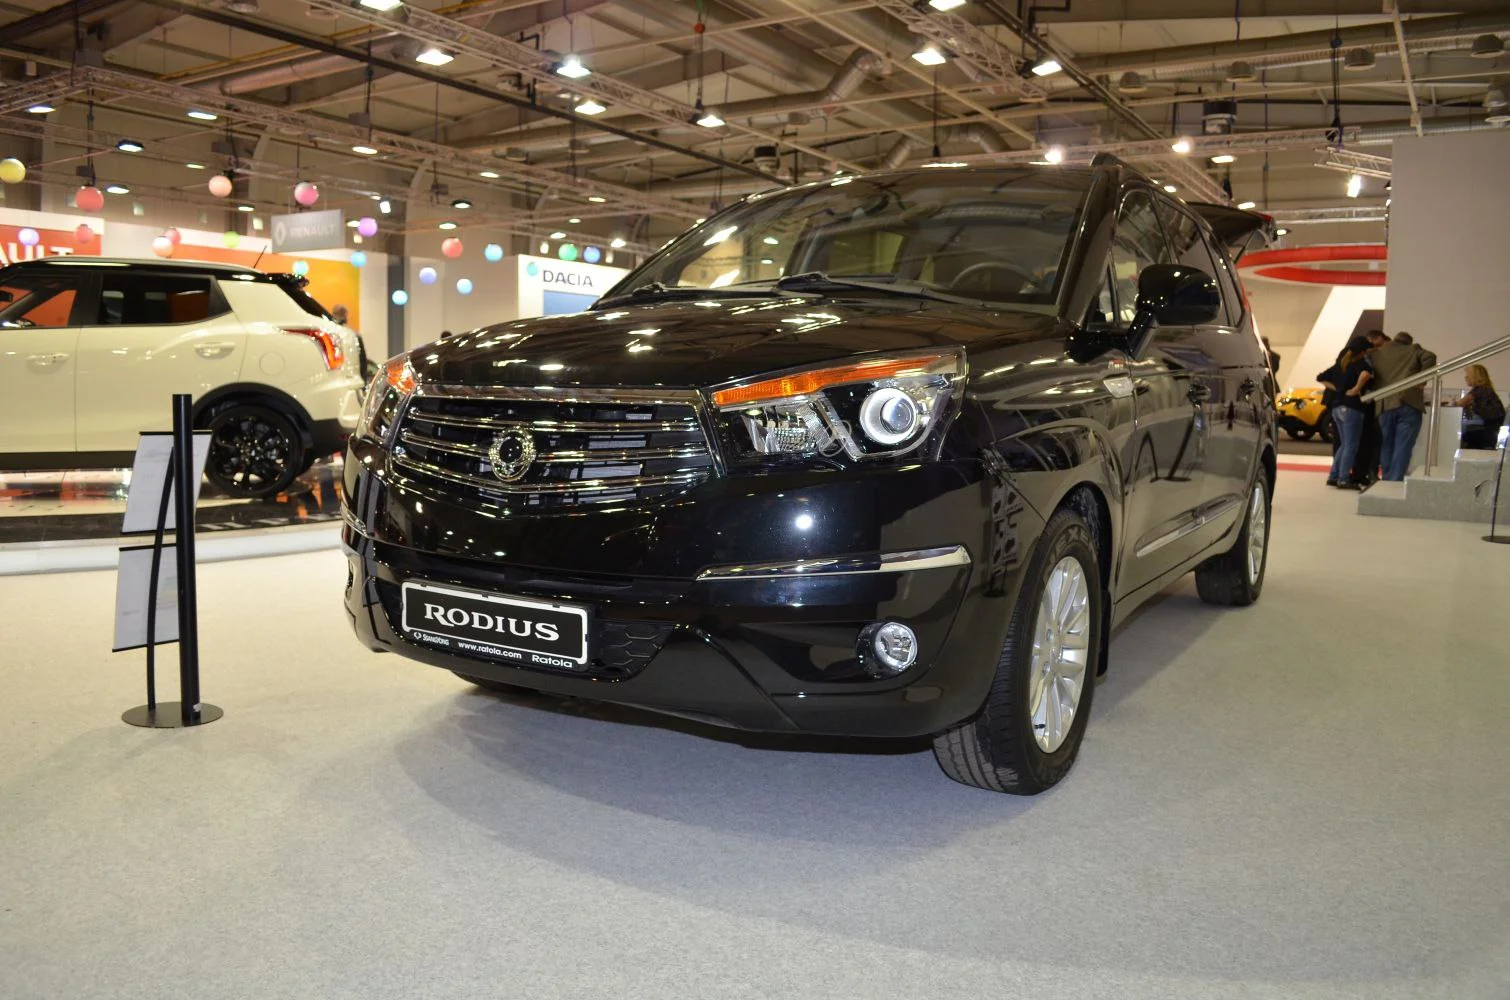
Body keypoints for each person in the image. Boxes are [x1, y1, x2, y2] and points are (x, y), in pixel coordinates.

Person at [1368, 330, 1438, 481]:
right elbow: (1430, 357)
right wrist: (1422, 379)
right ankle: (1395, 479)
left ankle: (1387, 478)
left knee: (1386, 444)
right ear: (1409, 343)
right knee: (1403, 445)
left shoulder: (1377, 353)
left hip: (1384, 404)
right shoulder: (1413, 349)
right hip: (1408, 402)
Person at [1318, 335, 1374, 489]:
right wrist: (1356, 388)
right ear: (1363, 351)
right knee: (1351, 445)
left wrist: (1338, 389)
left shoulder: (1341, 364)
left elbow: (1320, 377)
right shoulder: (1360, 363)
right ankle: (1343, 479)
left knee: (1344, 444)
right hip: (1352, 407)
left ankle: (1333, 476)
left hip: (1337, 407)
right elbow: (1365, 374)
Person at [1440, 364, 1505, 450]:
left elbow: (1458, 404)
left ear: (1476, 377)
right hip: (1491, 431)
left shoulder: (1479, 390)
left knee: (1455, 436)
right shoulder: (1485, 389)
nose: (1466, 377)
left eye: (1468, 375)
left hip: (1486, 433)